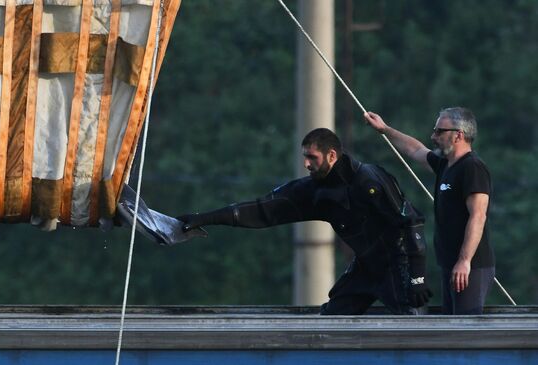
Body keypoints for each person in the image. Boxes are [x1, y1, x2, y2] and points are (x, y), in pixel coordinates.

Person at [178, 128, 432, 315]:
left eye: (312, 157)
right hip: (367, 267)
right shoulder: (314, 191)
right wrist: (205, 217)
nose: (306, 164)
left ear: (332, 155)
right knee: (330, 321)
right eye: (305, 157)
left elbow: (410, 222)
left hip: (399, 266)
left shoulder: (368, 180)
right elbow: (261, 210)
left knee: (411, 330)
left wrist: (417, 278)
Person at [364, 107, 494, 315]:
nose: (433, 136)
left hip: (470, 266)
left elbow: (478, 216)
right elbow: (414, 149)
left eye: (439, 131)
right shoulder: (446, 164)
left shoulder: (473, 168)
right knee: (452, 328)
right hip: (450, 264)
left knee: (466, 331)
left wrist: (464, 261)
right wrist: (385, 129)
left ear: (458, 135)